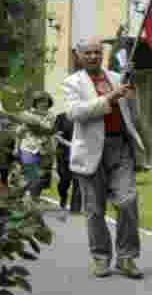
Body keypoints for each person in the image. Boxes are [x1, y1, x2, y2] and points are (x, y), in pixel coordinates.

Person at [61, 37, 146, 279]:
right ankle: (101, 258)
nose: (93, 56)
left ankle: (127, 258)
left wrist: (131, 92)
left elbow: (132, 113)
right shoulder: (72, 82)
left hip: (120, 147)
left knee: (128, 201)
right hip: (90, 151)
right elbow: (75, 113)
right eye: (87, 53)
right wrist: (110, 98)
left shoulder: (117, 78)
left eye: (97, 52)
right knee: (95, 209)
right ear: (78, 55)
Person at [13, 91, 57, 202]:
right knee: (33, 176)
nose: (43, 104)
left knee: (40, 179)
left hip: (45, 151)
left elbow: (51, 132)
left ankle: (32, 198)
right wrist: (16, 147)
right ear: (35, 103)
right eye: (40, 101)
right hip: (29, 148)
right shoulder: (27, 114)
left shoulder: (51, 116)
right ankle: (25, 197)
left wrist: (53, 150)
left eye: (45, 101)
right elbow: (19, 133)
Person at [53, 111, 82, 213]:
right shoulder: (61, 117)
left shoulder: (85, 116)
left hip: (80, 153)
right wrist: (69, 144)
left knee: (78, 182)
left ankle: (75, 209)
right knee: (64, 180)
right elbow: (56, 135)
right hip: (64, 152)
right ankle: (63, 195)